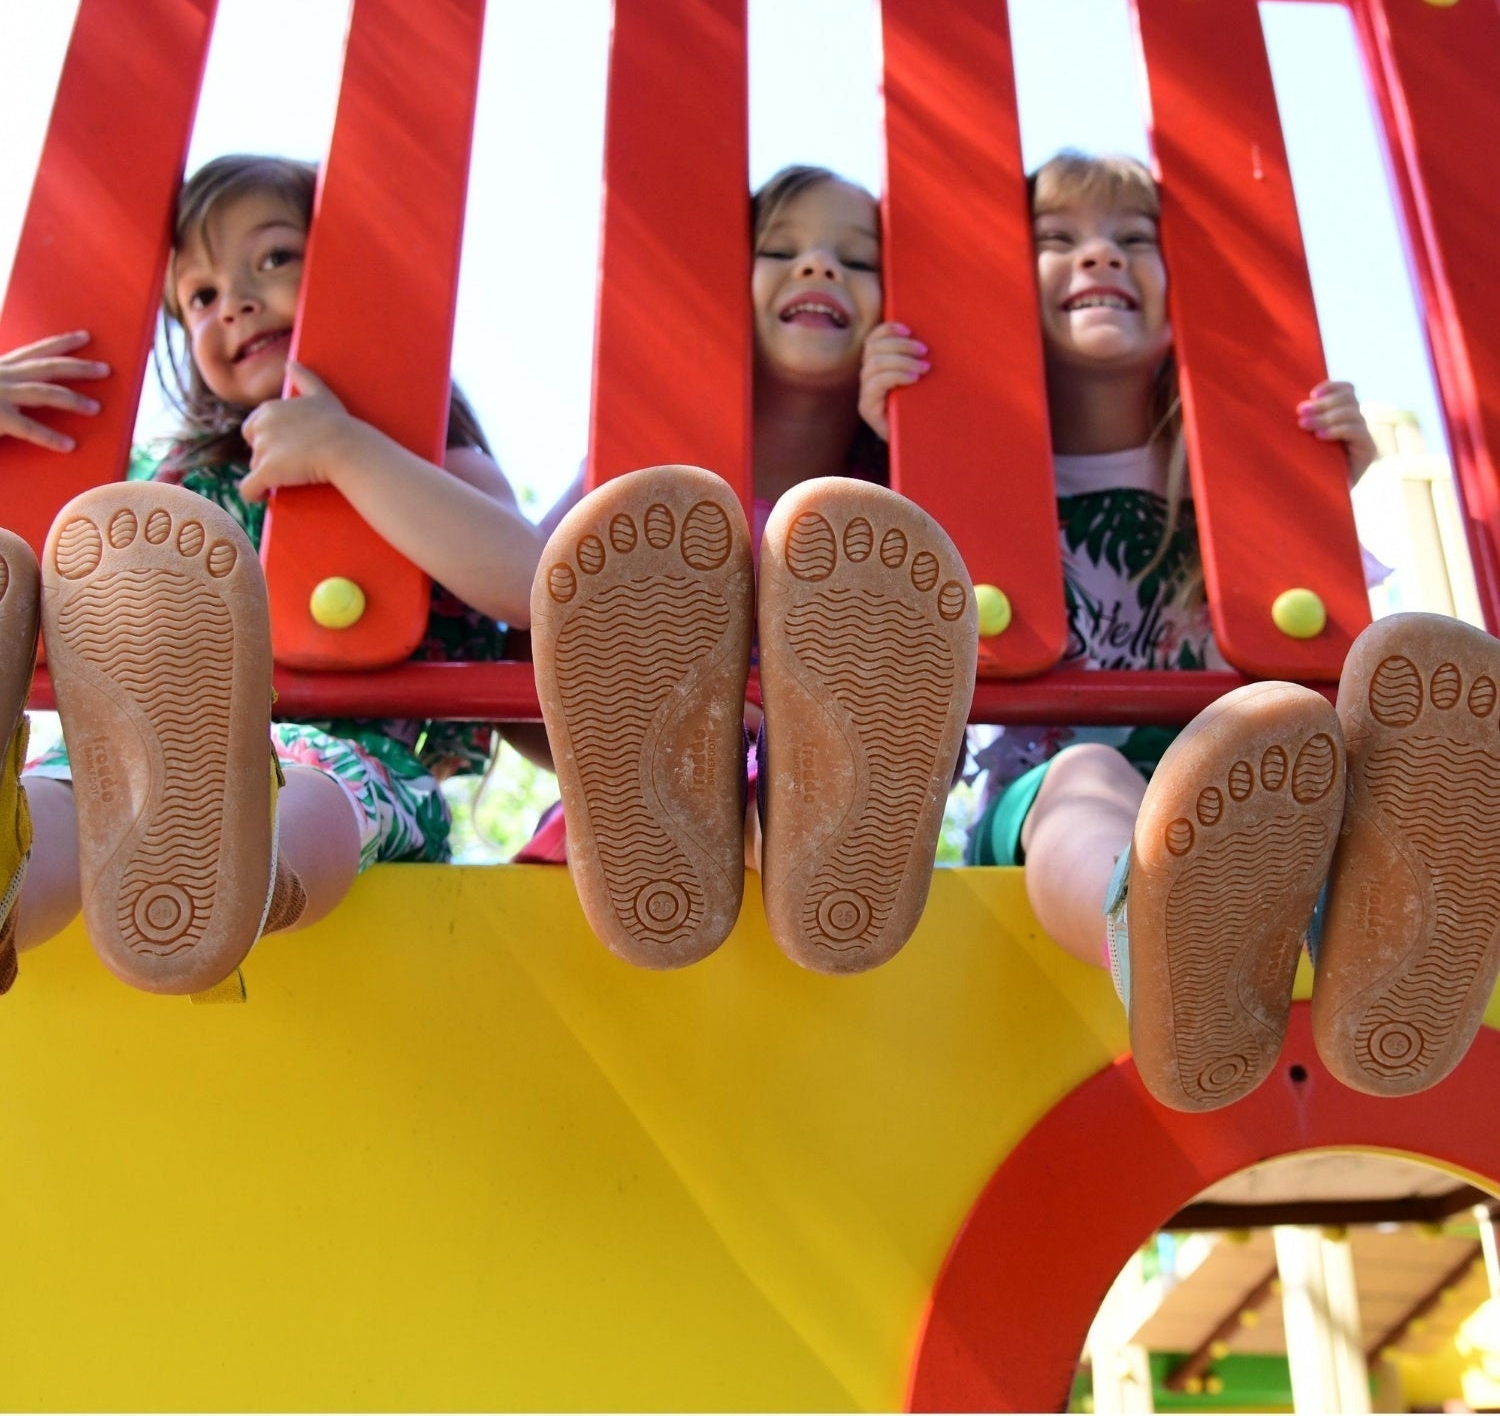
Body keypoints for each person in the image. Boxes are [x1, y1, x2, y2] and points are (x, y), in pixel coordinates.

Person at [867, 147, 1500, 1111]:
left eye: (1133, 240)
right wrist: (892, 438)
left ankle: (1399, 931)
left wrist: (1324, 483)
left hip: (1260, 790)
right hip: (1047, 796)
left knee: (1353, 723)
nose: (1100, 258)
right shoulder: (962, 465)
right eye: (1058, 240)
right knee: (1092, 779)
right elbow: (880, 628)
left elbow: (1307, 617)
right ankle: (1157, 941)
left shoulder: (1223, 479)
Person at [0, 153, 543, 996]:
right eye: (201, 296)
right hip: (130, 750)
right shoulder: (163, 483)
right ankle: (8, 900)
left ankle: (232, 889)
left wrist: (345, 449)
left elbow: (532, 585)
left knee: (321, 792)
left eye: (276, 258)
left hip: (354, 752)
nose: (236, 303)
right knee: (67, 798)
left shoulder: (429, 463)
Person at [523, 165, 976, 976]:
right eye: (782, 248)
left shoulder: (891, 513)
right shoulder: (646, 476)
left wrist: (912, 440)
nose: (820, 267)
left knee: (804, 779)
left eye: (859, 259)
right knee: (698, 769)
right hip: (629, 832)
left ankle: (808, 853)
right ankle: (734, 831)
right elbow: (558, 623)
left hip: (819, 812)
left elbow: (946, 638)